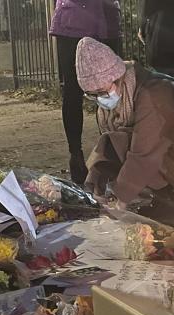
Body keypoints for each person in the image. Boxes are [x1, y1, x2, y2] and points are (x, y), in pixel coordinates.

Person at [75, 38, 174, 221]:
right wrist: (93, 187)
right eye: (92, 95)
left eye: (102, 92)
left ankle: (171, 202)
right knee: (113, 141)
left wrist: (120, 200)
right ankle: (159, 200)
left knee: (134, 144)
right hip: (164, 156)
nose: (100, 100)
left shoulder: (155, 94)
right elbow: (110, 143)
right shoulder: (124, 90)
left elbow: (144, 153)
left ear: (117, 77)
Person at [50, 0, 121, 185]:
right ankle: (77, 155)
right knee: (74, 91)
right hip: (76, 20)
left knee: (112, 87)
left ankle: (112, 152)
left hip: (104, 19)